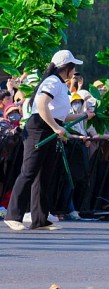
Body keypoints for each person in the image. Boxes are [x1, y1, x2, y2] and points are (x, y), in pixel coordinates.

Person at [4, 50, 89, 231]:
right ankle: (13, 216)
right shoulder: (52, 82)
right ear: (66, 68)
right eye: (73, 68)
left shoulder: (60, 85)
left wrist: (83, 115)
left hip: (49, 128)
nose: (74, 73)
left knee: (45, 175)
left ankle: (40, 219)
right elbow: (42, 105)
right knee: (29, 171)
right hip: (39, 129)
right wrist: (56, 128)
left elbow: (61, 115)